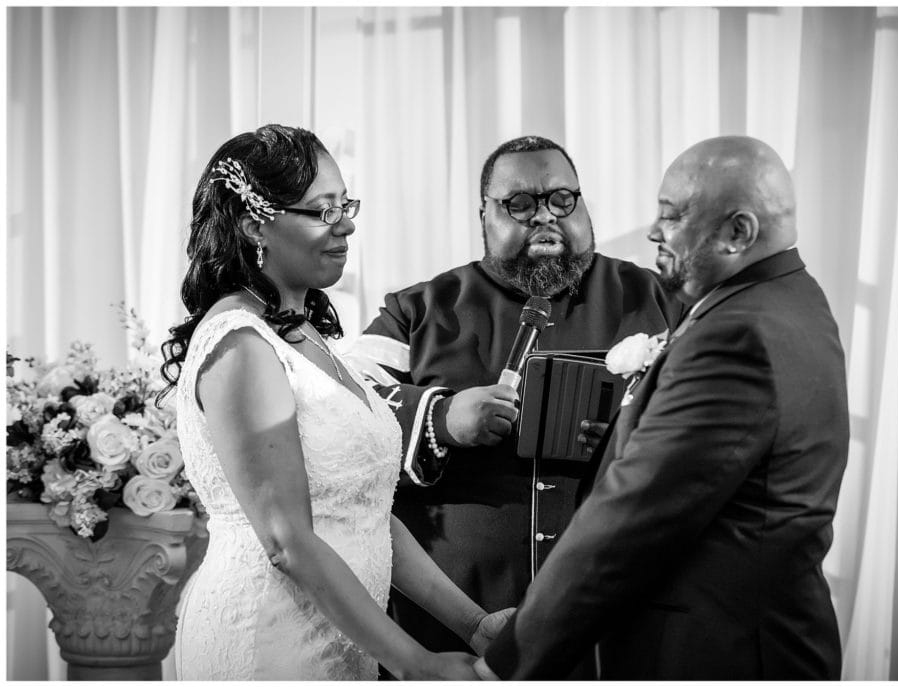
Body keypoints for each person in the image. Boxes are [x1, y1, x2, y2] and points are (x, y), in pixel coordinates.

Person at [477, 135, 850, 680]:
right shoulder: (791, 298)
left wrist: (505, 664)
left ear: (738, 232)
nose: (653, 231)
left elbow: (630, 522)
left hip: (723, 652)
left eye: (672, 217)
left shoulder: (735, 335)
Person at [161, 124, 509, 680]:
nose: (346, 224)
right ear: (256, 224)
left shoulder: (309, 338)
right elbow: (286, 540)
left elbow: (365, 511)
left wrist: (472, 624)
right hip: (267, 639)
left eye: (345, 205)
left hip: (340, 638)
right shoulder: (242, 345)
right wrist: (416, 663)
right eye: (322, 211)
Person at [345, 135, 681, 675]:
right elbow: (346, 412)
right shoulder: (418, 309)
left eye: (561, 199)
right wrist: (442, 417)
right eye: (519, 204)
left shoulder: (656, 299)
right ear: (485, 215)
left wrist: (626, 431)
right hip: (454, 621)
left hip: (614, 614)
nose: (544, 217)